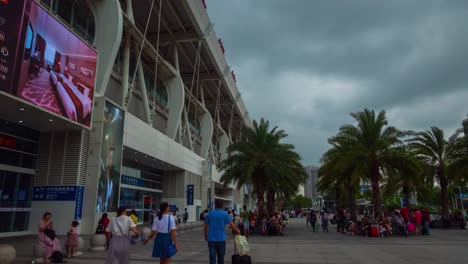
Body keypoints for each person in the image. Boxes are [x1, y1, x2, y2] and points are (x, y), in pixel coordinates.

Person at [205, 200, 240, 264]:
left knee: (212, 259)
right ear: (222, 205)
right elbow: (232, 225)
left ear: (215, 204)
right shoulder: (225, 214)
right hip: (221, 240)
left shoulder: (209, 214)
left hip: (211, 240)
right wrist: (237, 231)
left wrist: (206, 235)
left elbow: (205, 227)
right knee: (221, 259)